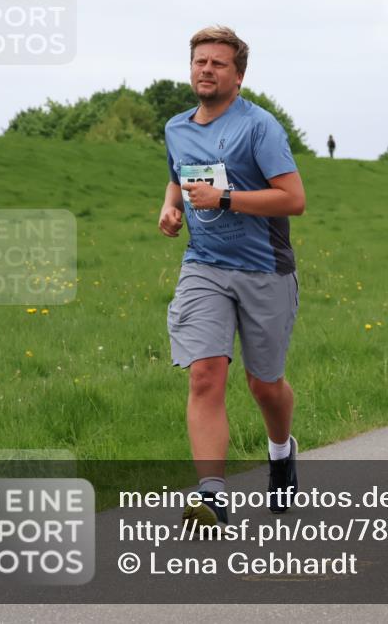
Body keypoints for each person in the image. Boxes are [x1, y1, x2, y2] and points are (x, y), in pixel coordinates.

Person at [157, 26, 306, 525]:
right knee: (204, 375)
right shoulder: (177, 127)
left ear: (238, 76)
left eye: (218, 63)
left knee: (264, 386)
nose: (206, 69)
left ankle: (281, 451)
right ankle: (213, 494)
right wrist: (170, 207)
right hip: (204, 267)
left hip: (265, 269)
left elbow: (293, 199)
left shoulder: (259, 127)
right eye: (200, 61)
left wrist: (223, 198)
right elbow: (179, 177)